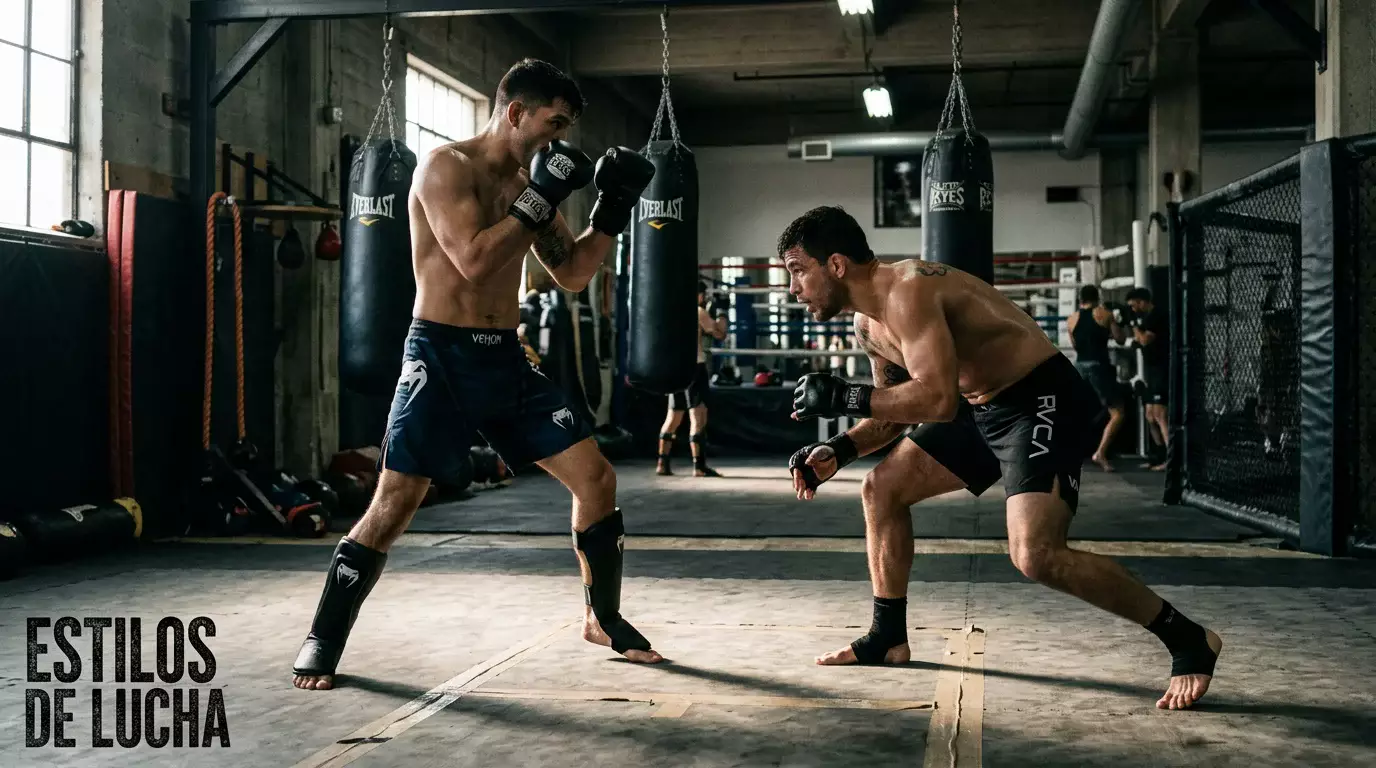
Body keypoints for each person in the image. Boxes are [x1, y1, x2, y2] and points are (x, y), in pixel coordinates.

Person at [292, 59, 664, 691]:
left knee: (596, 479)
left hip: (504, 358)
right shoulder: (447, 169)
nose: (558, 139)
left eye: (566, 126)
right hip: (438, 354)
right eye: (552, 122)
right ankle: (322, 638)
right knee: (394, 503)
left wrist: (611, 211)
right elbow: (469, 259)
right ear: (514, 111)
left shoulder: (529, 180)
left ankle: (602, 617)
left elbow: (571, 273)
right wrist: (539, 197)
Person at [781, 206, 1222, 710]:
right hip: (979, 406)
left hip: (1038, 399)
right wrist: (837, 450)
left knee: (1036, 555)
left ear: (835, 265)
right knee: (881, 488)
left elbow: (937, 402)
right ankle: (888, 637)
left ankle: (1188, 637)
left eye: (797, 270)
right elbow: (897, 410)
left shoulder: (907, 291)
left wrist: (844, 397)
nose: (793, 288)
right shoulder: (867, 324)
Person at [657, 282, 729, 477]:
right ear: (698, 295)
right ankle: (699, 466)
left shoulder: (670, 312)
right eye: (703, 294)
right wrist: (722, 313)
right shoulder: (697, 311)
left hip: (674, 369)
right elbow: (720, 334)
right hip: (694, 368)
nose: (705, 298)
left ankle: (662, 463)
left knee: (672, 417)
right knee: (698, 416)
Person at [1067, 285, 1126, 471]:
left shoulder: (1071, 319)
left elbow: (1075, 346)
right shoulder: (1105, 314)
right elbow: (1121, 339)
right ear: (1097, 297)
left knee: (1075, 412)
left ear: (1080, 299)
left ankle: (1067, 453)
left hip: (1079, 366)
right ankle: (1100, 453)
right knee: (1118, 412)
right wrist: (1115, 323)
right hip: (1098, 367)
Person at [1127, 287, 1170, 471]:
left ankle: (1172, 458)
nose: (1133, 309)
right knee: (1149, 415)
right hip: (1152, 370)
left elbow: (1144, 340)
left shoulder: (1156, 316)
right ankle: (1159, 457)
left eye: (1134, 305)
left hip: (1161, 368)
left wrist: (1133, 325)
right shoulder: (1145, 318)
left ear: (1142, 301)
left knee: (1160, 415)